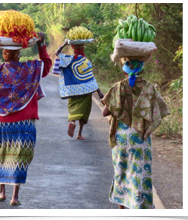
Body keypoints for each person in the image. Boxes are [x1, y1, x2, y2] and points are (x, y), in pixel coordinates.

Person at [0, 32, 52, 206]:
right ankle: (15, 196)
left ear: (3, 53)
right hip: (24, 123)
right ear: (19, 53)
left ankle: (2, 192)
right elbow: (47, 66)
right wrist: (41, 45)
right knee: (19, 157)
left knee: (0, 155)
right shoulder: (30, 69)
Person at [101, 57, 170, 209]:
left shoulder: (118, 87)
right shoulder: (149, 88)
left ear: (125, 71)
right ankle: (139, 206)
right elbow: (161, 110)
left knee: (121, 170)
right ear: (141, 69)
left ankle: (122, 206)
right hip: (141, 137)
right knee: (140, 173)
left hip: (121, 137)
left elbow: (105, 111)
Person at [55, 40, 104, 140]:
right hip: (85, 91)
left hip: (72, 91)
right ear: (83, 48)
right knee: (84, 112)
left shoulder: (68, 59)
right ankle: (79, 134)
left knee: (74, 109)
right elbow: (90, 77)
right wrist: (99, 92)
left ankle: (72, 122)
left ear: (73, 48)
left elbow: (57, 53)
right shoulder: (85, 61)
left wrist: (64, 44)